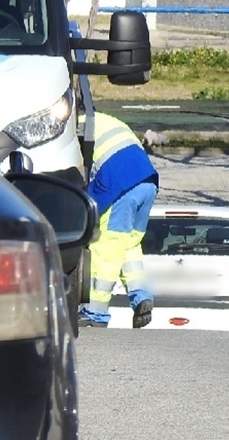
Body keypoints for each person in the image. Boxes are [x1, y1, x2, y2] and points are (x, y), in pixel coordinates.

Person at [79, 112, 159, 329]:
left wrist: (83, 212)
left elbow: (91, 180)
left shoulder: (73, 128)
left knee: (105, 247)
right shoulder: (102, 120)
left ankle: (95, 312)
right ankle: (141, 294)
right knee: (128, 244)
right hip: (148, 183)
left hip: (122, 187)